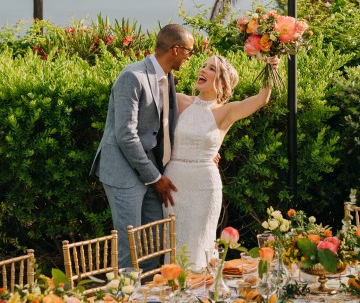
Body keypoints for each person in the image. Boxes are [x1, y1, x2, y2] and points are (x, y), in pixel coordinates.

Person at [90, 23, 195, 269]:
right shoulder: (132, 77)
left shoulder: (167, 77)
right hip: (124, 172)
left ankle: (150, 302)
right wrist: (154, 176)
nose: (191, 56)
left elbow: (167, 128)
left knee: (153, 244)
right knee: (131, 248)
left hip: (151, 170)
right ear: (176, 50)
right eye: (190, 51)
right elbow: (125, 135)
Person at [163, 54, 278, 268]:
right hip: (173, 184)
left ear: (223, 82)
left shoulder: (225, 111)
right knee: (173, 246)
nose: (203, 71)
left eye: (211, 69)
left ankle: (199, 296)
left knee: (198, 248)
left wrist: (270, 68)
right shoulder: (180, 100)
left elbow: (262, 99)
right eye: (203, 66)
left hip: (204, 188)